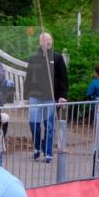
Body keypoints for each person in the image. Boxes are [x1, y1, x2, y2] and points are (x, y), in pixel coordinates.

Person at [23, 32, 68, 163]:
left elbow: (63, 78)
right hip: (35, 97)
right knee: (33, 123)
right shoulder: (33, 58)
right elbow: (29, 77)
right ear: (40, 42)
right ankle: (37, 147)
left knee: (49, 126)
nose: (48, 42)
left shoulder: (57, 57)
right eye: (45, 40)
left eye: (49, 39)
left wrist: (63, 95)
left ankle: (48, 152)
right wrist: (26, 96)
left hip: (51, 97)